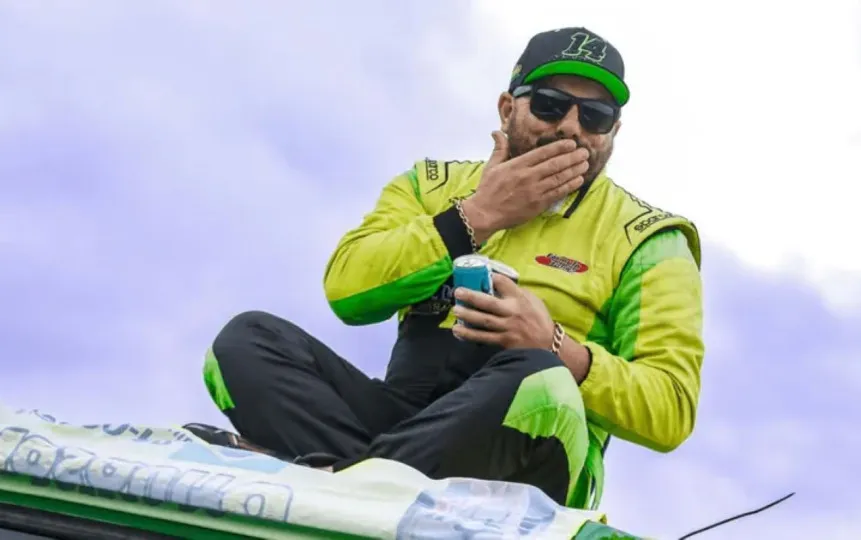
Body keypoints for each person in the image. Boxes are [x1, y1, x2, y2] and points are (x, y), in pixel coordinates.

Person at [186, 26, 704, 511]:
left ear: (614, 131)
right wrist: (476, 216)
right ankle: (362, 483)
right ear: (508, 108)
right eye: (550, 105)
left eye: (594, 116)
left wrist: (554, 345)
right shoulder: (430, 184)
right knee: (244, 341)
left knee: (537, 378)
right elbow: (347, 289)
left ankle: (336, 478)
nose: (571, 127)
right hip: (405, 418)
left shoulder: (649, 239)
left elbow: (671, 409)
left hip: (532, 451)